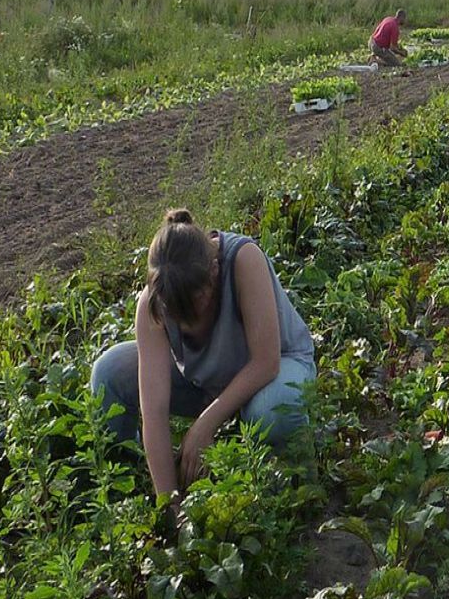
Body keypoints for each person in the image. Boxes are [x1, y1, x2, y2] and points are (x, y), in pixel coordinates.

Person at [89, 209, 317, 513]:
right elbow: (154, 413)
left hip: (275, 369)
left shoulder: (242, 259)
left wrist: (203, 426)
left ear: (213, 271)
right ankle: (126, 487)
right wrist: (173, 507)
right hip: (206, 381)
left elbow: (266, 362)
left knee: (273, 409)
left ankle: (296, 486)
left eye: (197, 307)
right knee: (108, 373)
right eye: (177, 317)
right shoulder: (154, 303)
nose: (189, 328)